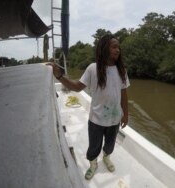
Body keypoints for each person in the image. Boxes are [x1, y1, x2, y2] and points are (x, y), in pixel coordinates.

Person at [47, 34, 130, 180]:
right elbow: (77, 87)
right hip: (96, 120)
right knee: (94, 146)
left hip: (114, 119)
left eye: (119, 47)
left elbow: (124, 94)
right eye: (114, 47)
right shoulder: (93, 68)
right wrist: (59, 76)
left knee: (110, 144)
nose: (118, 50)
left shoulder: (121, 70)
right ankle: (93, 164)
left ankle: (106, 157)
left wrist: (126, 114)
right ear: (104, 48)